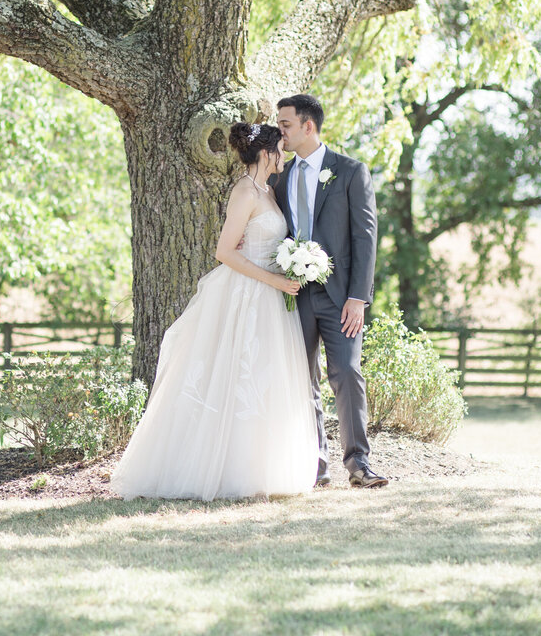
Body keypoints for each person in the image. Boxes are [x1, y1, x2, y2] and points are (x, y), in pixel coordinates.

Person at [111, 123, 318, 500]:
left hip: (271, 298)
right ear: (267, 153)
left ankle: (260, 471)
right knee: (234, 377)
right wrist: (274, 282)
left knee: (263, 380)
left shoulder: (268, 191)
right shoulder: (244, 191)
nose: (284, 154)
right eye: (280, 149)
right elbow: (224, 252)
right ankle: (222, 472)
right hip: (246, 297)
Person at [272, 93, 387, 489]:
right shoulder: (278, 176)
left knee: (348, 373)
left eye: (285, 124)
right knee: (301, 379)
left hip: (341, 297)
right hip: (292, 294)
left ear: (308, 126)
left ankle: (358, 463)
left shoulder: (351, 172)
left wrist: (359, 297)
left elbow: (365, 236)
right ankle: (314, 464)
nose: (280, 132)